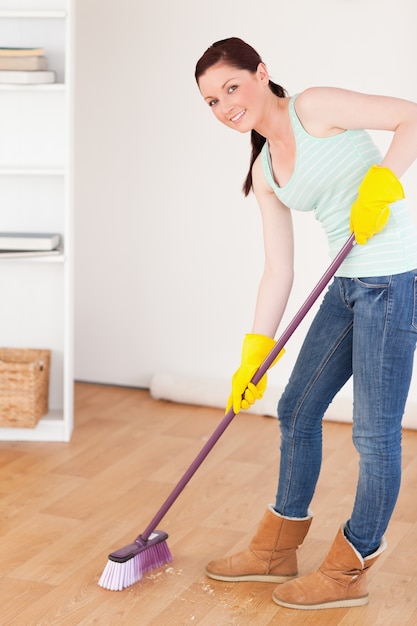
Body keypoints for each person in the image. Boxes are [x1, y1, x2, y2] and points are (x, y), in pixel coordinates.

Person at [194, 37, 417, 610]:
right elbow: (278, 271)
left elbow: (410, 118)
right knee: (296, 407)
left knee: (374, 433)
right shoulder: (265, 171)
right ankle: (277, 548)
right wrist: (255, 353)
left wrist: (384, 180)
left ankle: (351, 566)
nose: (225, 106)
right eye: (212, 101)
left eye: (231, 87)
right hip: (347, 287)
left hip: (394, 283)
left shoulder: (314, 107)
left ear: (261, 73)